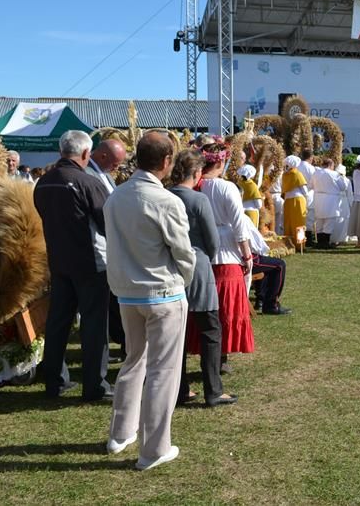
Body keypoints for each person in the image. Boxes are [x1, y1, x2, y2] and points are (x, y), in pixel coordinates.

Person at [105, 131, 195, 470]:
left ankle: (121, 433)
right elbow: (183, 252)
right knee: (162, 370)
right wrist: (183, 281)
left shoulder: (116, 196)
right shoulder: (166, 201)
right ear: (167, 161)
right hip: (161, 293)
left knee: (134, 360)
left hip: (128, 294)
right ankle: (154, 448)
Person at [33, 130, 113, 401]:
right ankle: (95, 386)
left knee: (58, 323)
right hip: (89, 261)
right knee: (93, 325)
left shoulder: (43, 182)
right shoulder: (87, 182)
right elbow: (106, 222)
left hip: (59, 260)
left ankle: (54, 381)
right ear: (85, 154)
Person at [167, 150, 236, 407]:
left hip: (170, 268)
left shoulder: (165, 197)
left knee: (178, 333)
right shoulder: (198, 200)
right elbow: (213, 242)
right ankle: (213, 389)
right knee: (210, 329)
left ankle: (180, 389)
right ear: (197, 174)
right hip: (197, 265)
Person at [195, 140, 254, 368]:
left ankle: (209, 354)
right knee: (226, 307)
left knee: (205, 306)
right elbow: (239, 224)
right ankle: (221, 355)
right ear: (221, 161)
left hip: (201, 248)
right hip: (226, 251)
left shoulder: (195, 185)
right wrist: (247, 254)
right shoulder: (226, 187)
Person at [85, 139, 129, 361]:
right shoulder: (89, 176)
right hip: (99, 249)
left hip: (112, 247)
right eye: (115, 163)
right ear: (102, 156)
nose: (117, 168)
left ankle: (122, 344)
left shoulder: (105, 174)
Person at [312, 158, 348, 249]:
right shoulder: (334, 174)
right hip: (331, 199)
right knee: (329, 222)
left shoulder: (316, 173)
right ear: (331, 165)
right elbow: (343, 187)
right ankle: (325, 243)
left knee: (319, 222)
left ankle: (320, 242)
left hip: (318, 198)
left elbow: (311, 185)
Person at [281, 155, 309, 243]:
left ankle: (289, 243)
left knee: (288, 222)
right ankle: (300, 244)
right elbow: (304, 190)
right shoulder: (297, 174)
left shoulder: (284, 175)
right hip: (298, 200)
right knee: (299, 222)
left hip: (287, 200)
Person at [297, 150, 318, 235]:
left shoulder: (297, 166)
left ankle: (300, 236)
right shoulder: (311, 168)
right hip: (308, 192)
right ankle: (308, 237)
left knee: (299, 216)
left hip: (297, 193)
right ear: (311, 157)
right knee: (309, 216)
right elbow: (315, 181)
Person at [237, 164, 263, 228]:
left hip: (241, 212)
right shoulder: (252, 185)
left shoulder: (238, 183)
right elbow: (258, 204)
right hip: (251, 213)